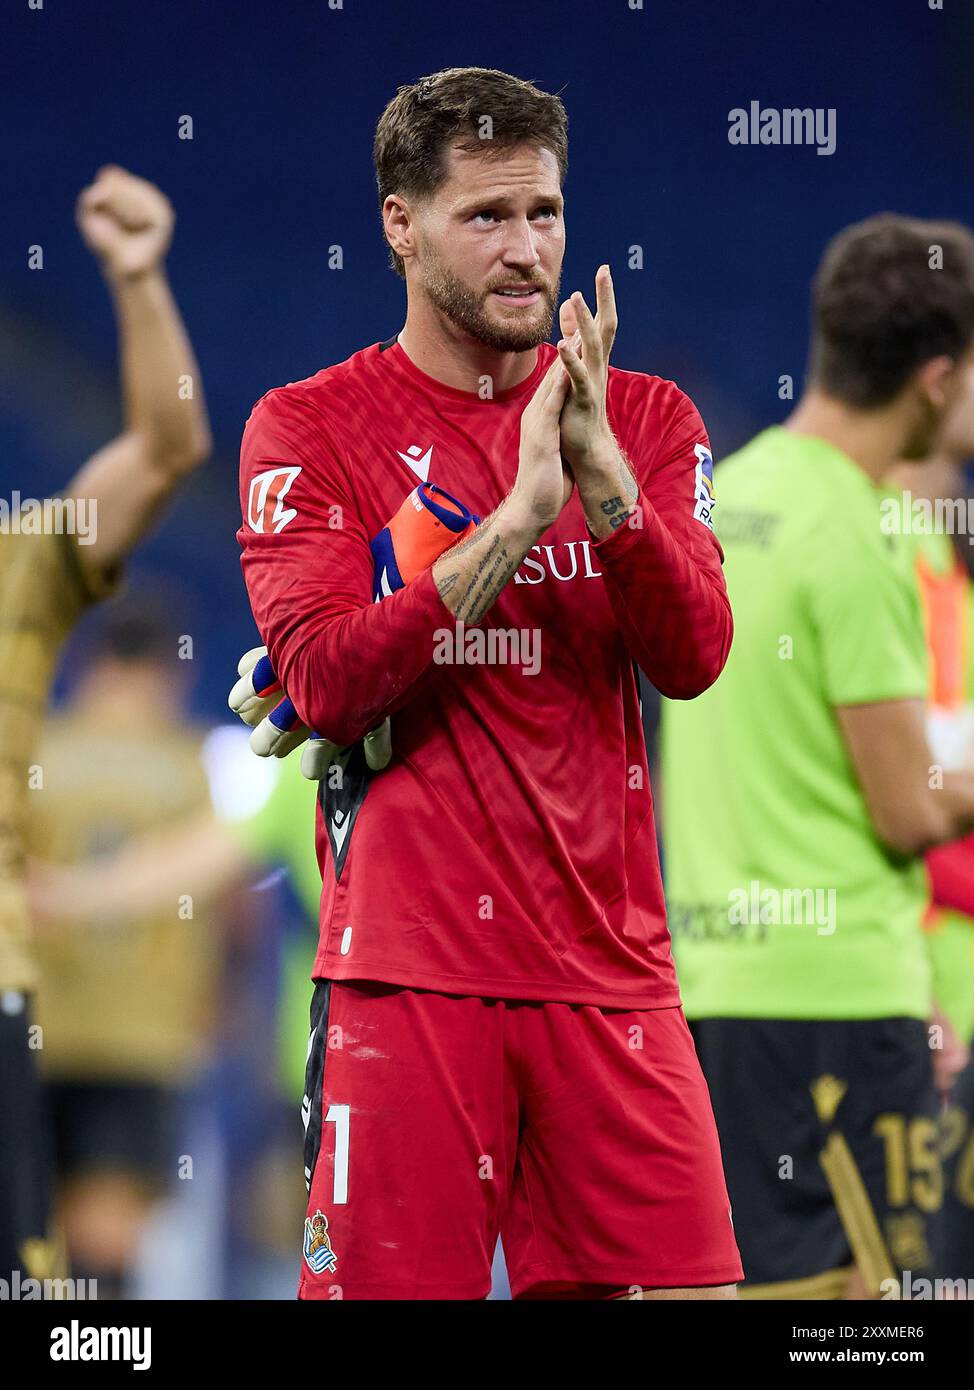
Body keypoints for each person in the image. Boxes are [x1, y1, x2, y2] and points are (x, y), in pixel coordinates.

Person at [236, 65, 741, 1301]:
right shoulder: (306, 428)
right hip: (407, 983)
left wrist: (598, 474)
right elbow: (328, 681)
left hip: (610, 978)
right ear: (399, 227)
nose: (527, 251)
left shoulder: (650, 419)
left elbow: (693, 657)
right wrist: (513, 511)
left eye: (545, 215)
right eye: (485, 217)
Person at [661, 214, 974, 1299]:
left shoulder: (729, 497)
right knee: (872, 1314)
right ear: (933, 381)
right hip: (837, 1002)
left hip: (712, 989)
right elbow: (908, 806)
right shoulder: (860, 532)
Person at [0, 165, 210, 1290]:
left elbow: (168, 445)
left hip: (26, 1006)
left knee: (62, 1284)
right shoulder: (178, 764)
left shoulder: (23, 565)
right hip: (110, 1032)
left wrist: (137, 281)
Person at [28, 601, 219, 1298]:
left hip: (37, 1031)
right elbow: (236, 903)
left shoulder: (36, 749)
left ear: (86, 663)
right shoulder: (195, 763)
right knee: (105, 1247)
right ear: (172, 669)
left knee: (29, 1235)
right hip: (145, 1037)